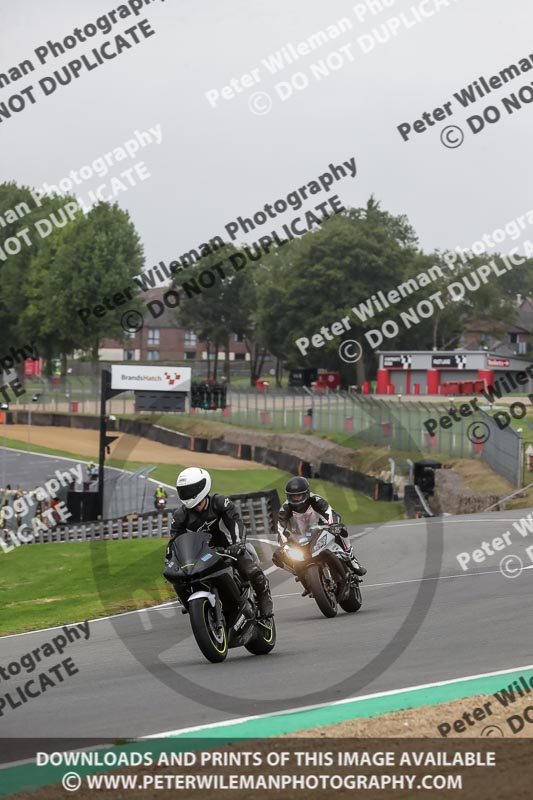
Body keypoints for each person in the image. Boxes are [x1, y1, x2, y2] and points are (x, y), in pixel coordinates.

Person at [167, 467, 273, 621]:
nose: (187, 494)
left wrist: (238, 544)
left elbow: (235, 521)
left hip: (227, 548)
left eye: (190, 489)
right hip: (200, 556)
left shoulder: (219, 502)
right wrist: (172, 560)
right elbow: (175, 542)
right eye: (183, 490)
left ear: (201, 487)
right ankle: (195, 607)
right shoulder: (180, 516)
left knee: (249, 567)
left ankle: (264, 598)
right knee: (179, 580)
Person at [274, 476, 367, 577]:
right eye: (293, 496)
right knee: (277, 556)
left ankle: (350, 557)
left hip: (321, 529)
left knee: (341, 528)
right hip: (299, 536)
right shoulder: (285, 509)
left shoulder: (315, 500)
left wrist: (333, 524)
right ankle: (299, 574)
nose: (296, 499)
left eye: (298, 496)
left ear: (306, 493)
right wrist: (283, 544)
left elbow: (329, 512)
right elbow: (280, 529)